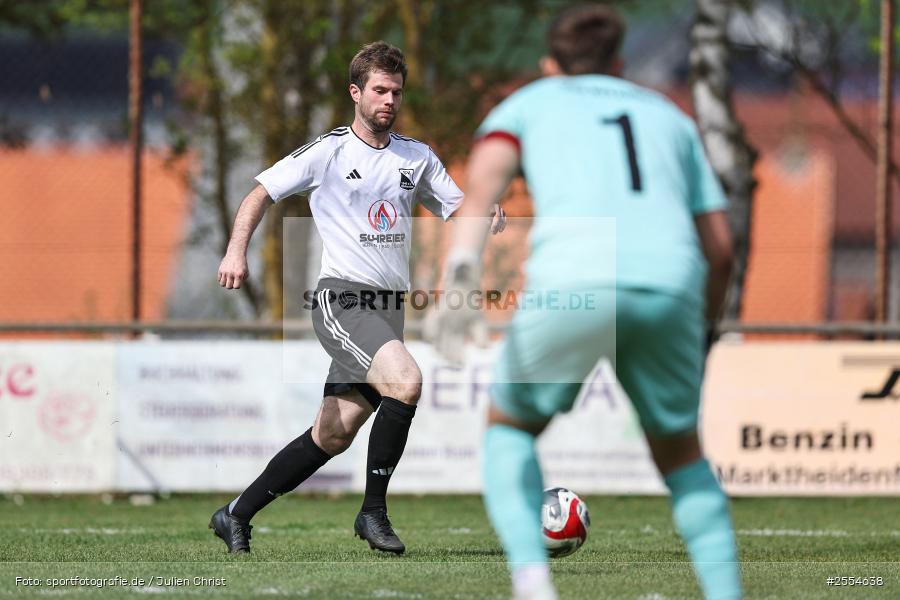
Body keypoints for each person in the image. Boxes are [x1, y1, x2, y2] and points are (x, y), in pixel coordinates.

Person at [431, 5, 742, 600]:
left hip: (573, 281)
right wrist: (702, 330)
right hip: (671, 284)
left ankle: (533, 583)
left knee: (509, 431)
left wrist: (461, 271)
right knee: (684, 460)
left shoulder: (526, 105)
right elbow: (722, 250)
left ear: (550, 65)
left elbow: (481, 190)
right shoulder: (670, 117)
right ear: (619, 64)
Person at [209, 41, 505, 555]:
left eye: (397, 92)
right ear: (356, 93)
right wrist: (236, 251)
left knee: (332, 433)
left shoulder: (416, 156)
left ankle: (235, 513)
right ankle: (373, 513)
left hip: (390, 309)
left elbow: (458, 208)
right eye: (380, 90)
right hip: (343, 300)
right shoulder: (329, 152)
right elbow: (259, 193)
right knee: (406, 382)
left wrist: (487, 212)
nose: (390, 100)